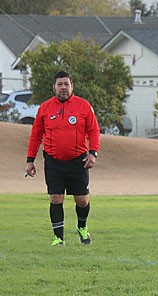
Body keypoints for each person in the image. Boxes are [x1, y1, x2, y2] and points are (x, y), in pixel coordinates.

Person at [25, 70, 100, 246]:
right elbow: (36, 135)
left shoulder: (83, 106)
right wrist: (30, 160)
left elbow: (94, 131)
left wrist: (93, 153)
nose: (63, 88)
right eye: (60, 84)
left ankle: (82, 227)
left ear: (72, 86)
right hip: (53, 161)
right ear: (54, 87)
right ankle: (58, 238)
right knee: (56, 198)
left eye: (66, 84)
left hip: (78, 161)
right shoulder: (45, 108)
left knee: (82, 201)